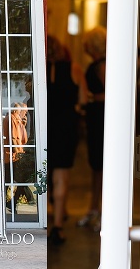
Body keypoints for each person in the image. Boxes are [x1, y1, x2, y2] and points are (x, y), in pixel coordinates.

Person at [46, 34, 82, 246]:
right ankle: (58, 226)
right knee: (61, 178)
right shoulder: (74, 69)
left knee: (44, 173)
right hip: (67, 128)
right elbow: (83, 99)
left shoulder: (38, 71)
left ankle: (41, 220)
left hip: (46, 127)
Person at [77, 26, 106, 232]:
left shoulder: (102, 65)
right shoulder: (96, 64)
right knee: (96, 166)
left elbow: (112, 92)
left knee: (102, 166)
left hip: (102, 116)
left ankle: (102, 212)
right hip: (96, 116)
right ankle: (93, 209)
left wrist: (94, 98)